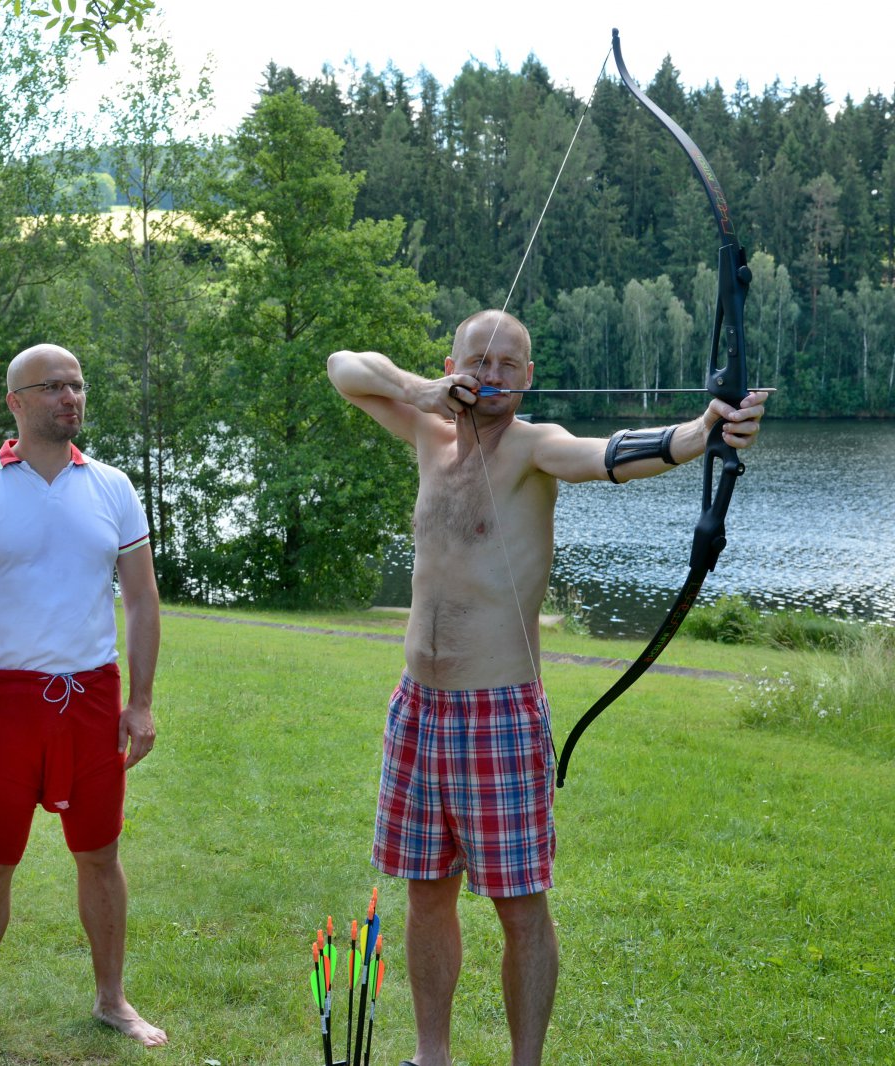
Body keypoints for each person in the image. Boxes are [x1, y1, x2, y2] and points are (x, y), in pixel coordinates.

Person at [326, 309, 767, 1066]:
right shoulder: (427, 431)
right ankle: (432, 1057)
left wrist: (703, 432)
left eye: (509, 364)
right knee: (424, 892)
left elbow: (611, 456)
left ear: (528, 377)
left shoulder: (535, 448)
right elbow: (343, 366)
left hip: (498, 712)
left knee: (520, 906)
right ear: (452, 365)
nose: (492, 375)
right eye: (479, 360)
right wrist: (418, 390)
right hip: (418, 708)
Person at [0, 343, 167, 1053]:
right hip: (0, 699)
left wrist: (141, 701)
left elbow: (141, 598)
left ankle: (112, 999)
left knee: (100, 852)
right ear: (16, 401)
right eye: (53, 387)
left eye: (77, 385)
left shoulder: (112, 487)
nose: (71, 398)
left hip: (91, 698)